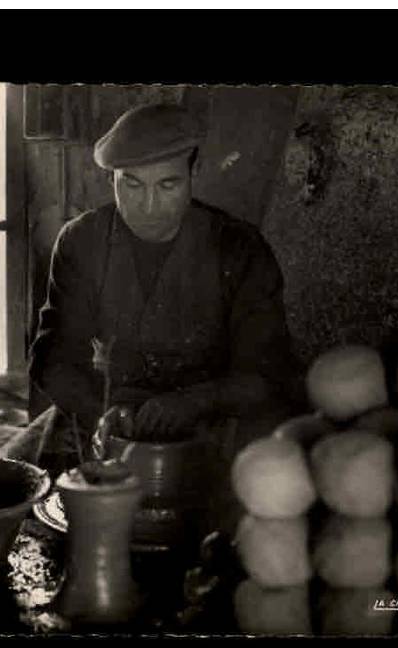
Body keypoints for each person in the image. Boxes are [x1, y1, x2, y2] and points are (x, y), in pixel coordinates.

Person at [29, 103, 304, 457]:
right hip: (108, 413)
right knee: (57, 492)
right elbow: (53, 358)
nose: (148, 205)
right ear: (109, 179)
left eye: (168, 185)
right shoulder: (81, 242)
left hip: (212, 416)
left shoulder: (240, 249)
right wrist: (102, 411)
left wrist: (194, 401)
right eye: (132, 185)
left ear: (195, 173)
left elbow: (270, 372)